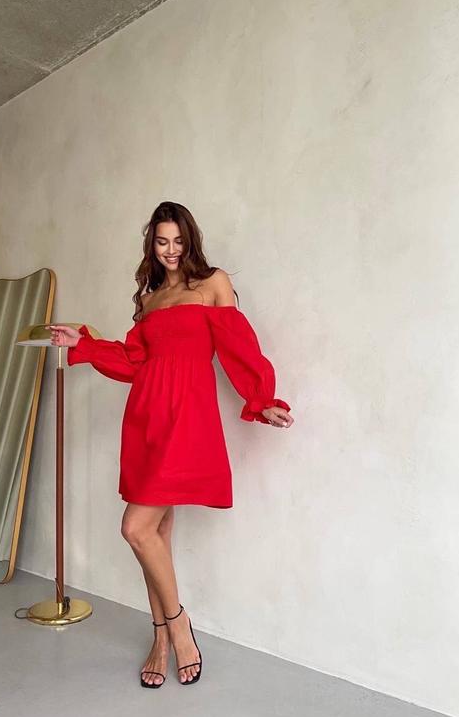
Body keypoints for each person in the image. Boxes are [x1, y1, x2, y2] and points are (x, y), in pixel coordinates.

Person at [48, 201, 293, 689]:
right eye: (162, 242)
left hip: (187, 419)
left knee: (135, 527)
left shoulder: (213, 283)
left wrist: (261, 399)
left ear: (190, 240)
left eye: (178, 241)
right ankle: (161, 639)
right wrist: (84, 343)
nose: (171, 250)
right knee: (153, 535)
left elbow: (239, 347)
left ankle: (178, 627)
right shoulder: (150, 299)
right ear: (151, 245)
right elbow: (133, 361)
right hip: (146, 419)